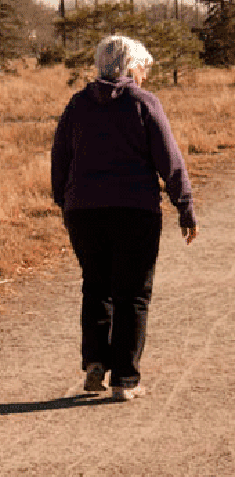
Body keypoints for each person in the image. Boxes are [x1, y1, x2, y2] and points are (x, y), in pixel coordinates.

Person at [51, 35, 198, 402]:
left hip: (84, 212)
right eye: (143, 68)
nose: (144, 75)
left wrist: (65, 202)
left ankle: (95, 363)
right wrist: (185, 206)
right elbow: (170, 158)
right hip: (135, 211)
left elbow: (60, 158)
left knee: (96, 286)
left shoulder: (77, 105)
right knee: (131, 294)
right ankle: (125, 381)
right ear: (130, 67)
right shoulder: (142, 102)